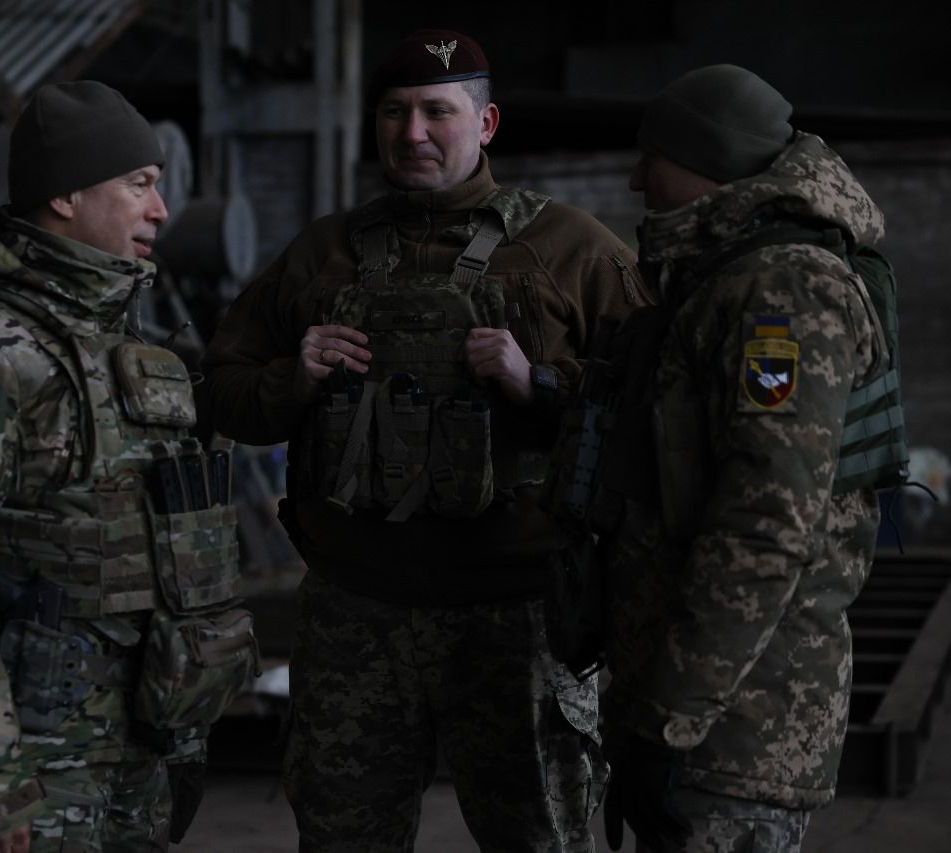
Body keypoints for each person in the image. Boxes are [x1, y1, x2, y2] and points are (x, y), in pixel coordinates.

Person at [202, 28, 648, 852]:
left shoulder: (572, 249)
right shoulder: (321, 254)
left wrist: (540, 384)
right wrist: (291, 380)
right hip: (355, 609)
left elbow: (659, 408)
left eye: (437, 112)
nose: (412, 133)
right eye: (394, 112)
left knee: (539, 839)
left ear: (486, 124)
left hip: (517, 616)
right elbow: (221, 391)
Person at [0, 80, 256, 853]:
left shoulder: (114, 336)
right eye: (139, 184)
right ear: (67, 196)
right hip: (38, 760)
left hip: (142, 743)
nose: (161, 209)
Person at [598, 64, 891, 851]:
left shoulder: (783, 288)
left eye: (652, 158)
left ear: (707, 162)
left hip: (733, 730)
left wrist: (668, 724)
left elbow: (765, 525)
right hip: (709, 717)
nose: (636, 179)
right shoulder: (732, 273)